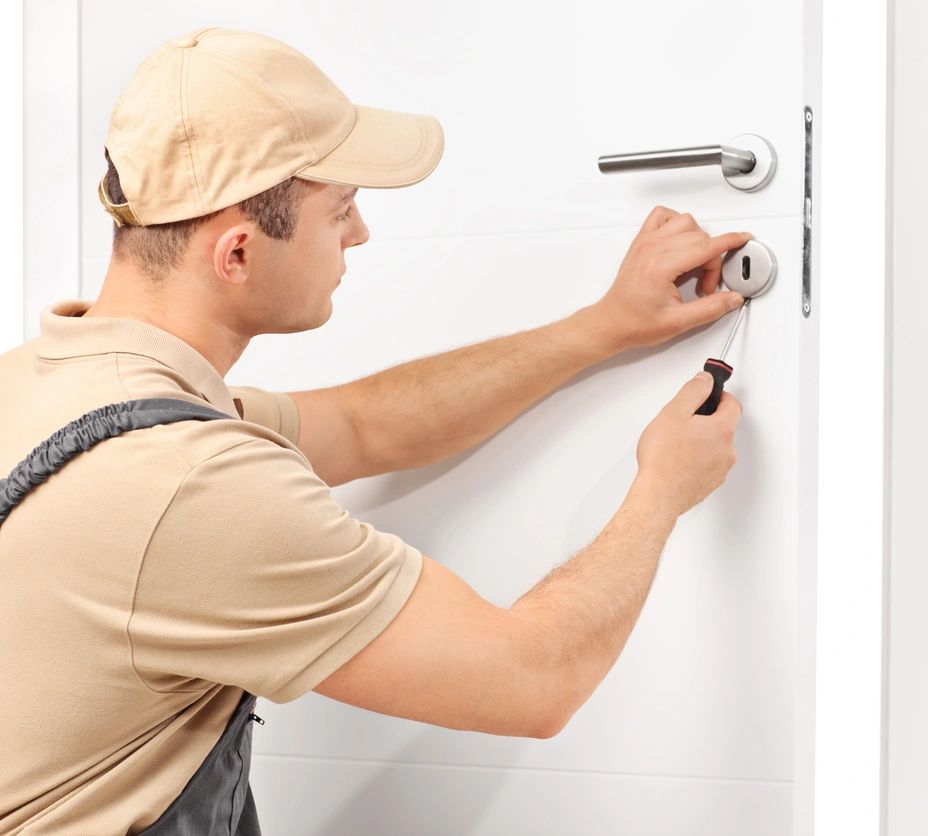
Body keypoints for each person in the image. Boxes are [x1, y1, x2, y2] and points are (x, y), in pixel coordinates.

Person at [0, 26, 748, 834]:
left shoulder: (53, 390)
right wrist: (661, 490)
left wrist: (601, 328)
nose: (360, 235)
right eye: (342, 209)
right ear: (238, 253)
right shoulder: (187, 485)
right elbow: (535, 680)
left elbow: (363, 425)